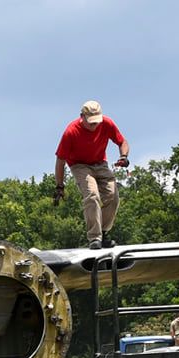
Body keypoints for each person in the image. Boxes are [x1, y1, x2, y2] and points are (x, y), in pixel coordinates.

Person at [52, 100, 130, 248]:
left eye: (96, 122)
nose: (95, 126)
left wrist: (124, 156)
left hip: (100, 163)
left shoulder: (106, 123)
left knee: (112, 196)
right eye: (91, 123)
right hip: (80, 165)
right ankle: (94, 237)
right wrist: (59, 186)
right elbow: (60, 160)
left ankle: (103, 232)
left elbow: (122, 142)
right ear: (82, 117)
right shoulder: (71, 132)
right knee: (92, 195)